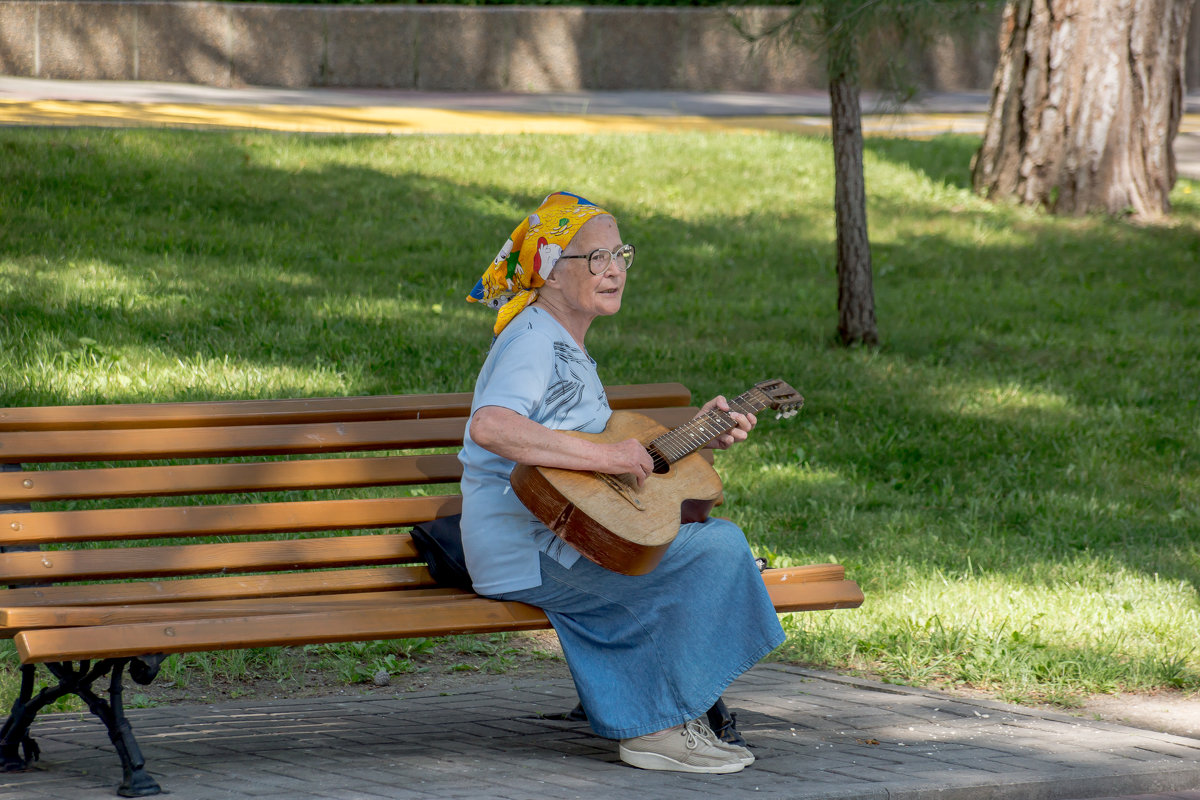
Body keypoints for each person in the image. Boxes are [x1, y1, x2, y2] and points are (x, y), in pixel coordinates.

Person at [459, 191, 785, 774]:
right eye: (596, 258)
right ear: (551, 273)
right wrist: (609, 458)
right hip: (525, 548)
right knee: (716, 550)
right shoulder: (533, 341)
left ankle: (661, 713)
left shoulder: (564, 343)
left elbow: (592, 460)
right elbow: (491, 425)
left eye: (620, 256)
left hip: (560, 535)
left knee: (705, 547)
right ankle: (655, 728)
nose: (614, 271)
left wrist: (693, 438)